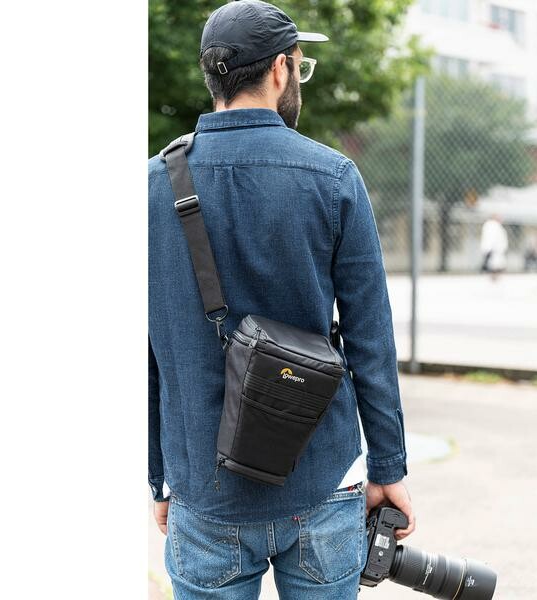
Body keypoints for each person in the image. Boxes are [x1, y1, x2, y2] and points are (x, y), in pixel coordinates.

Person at [148, 2, 414, 599]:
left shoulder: (150, 188)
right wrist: (388, 469)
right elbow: (371, 338)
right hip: (322, 482)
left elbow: (147, 350)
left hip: (204, 490)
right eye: (300, 65)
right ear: (278, 70)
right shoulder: (334, 177)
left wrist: (160, 477)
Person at [479, 214, 508, 281]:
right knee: (494, 265)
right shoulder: (492, 225)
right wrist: (489, 249)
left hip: (495, 250)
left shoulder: (493, 225)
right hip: (494, 250)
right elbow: (491, 239)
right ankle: (493, 278)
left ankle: (495, 278)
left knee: (497, 265)